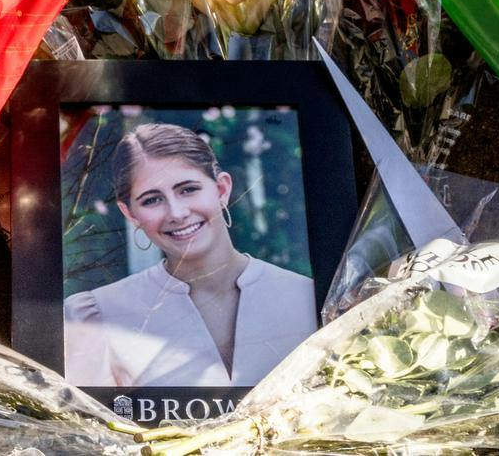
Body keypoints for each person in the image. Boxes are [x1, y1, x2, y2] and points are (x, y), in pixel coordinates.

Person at [62, 122, 318, 388]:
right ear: (130, 214)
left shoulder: (305, 297)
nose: (177, 213)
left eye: (188, 189)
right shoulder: (98, 315)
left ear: (221, 189)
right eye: (152, 200)